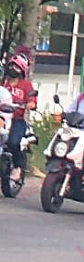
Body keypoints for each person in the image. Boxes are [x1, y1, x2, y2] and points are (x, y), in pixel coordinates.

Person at [2, 53, 37, 182]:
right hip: (2, 118)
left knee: (13, 142)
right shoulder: (3, 83)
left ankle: (17, 167)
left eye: (16, 67)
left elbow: (32, 100)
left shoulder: (26, 85)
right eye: (11, 65)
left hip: (17, 120)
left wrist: (29, 104)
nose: (12, 69)